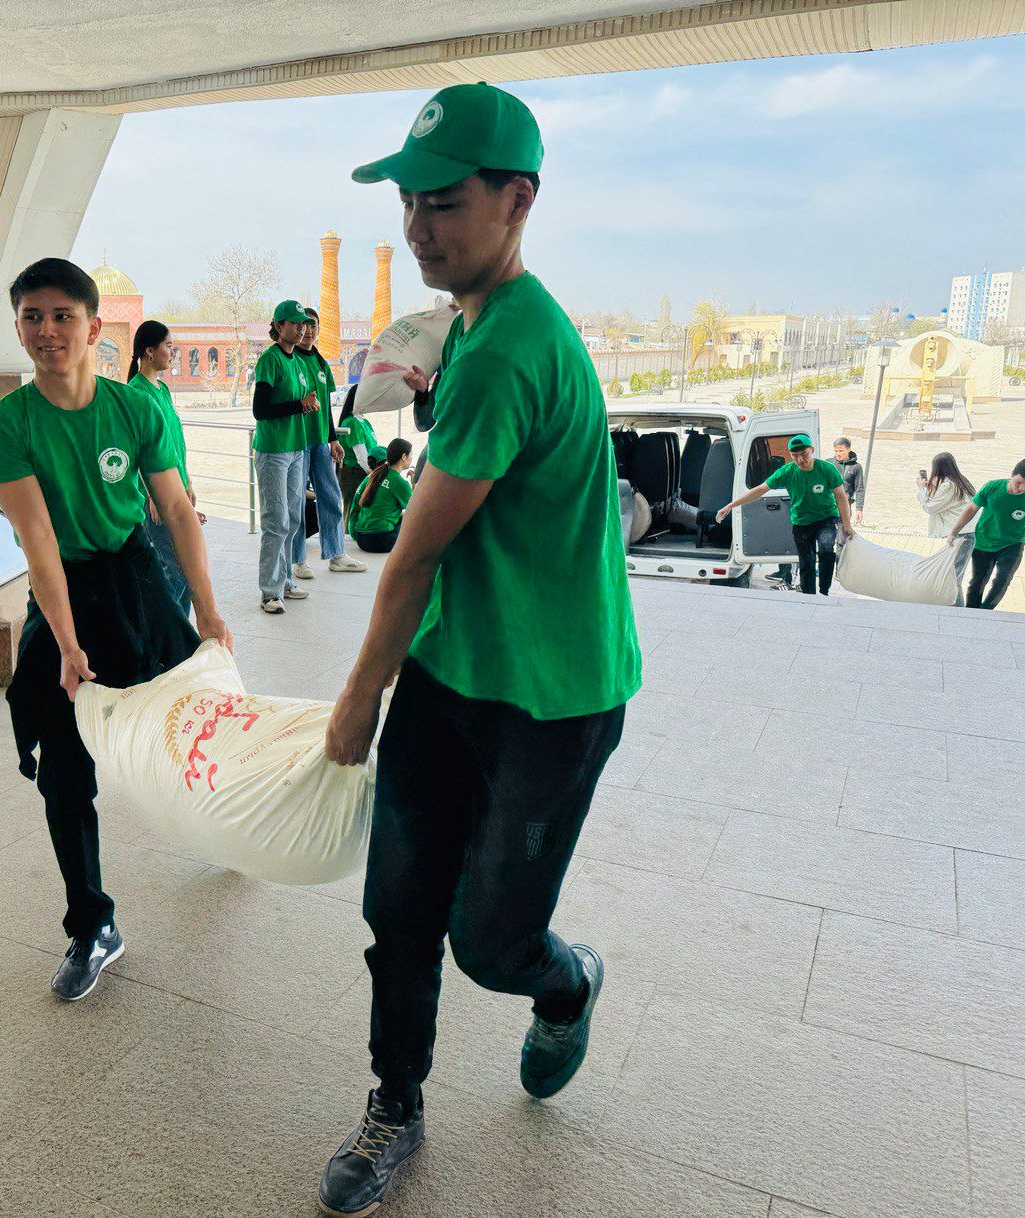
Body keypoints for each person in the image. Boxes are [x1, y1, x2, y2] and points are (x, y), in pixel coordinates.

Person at [317, 83, 640, 1218]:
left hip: (551, 694)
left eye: (443, 204)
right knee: (397, 912)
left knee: (491, 941)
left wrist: (356, 697)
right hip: (455, 669)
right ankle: (392, 1106)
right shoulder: (465, 326)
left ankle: (567, 983)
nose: (418, 229)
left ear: (517, 199)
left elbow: (407, 558)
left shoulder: (509, 347)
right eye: (407, 204)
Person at [0, 258, 232, 1002]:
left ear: (92, 326)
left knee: (188, 722)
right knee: (64, 771)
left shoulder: (135, 409)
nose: (47, 331)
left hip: (134, 578)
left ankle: (228, 828)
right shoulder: (6, 426)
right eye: (32, 317)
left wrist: (208, 610)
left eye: (62, 316)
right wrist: (63, 640)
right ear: (19, 327)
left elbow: (177, 511)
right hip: (63, 589)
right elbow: (40, 543)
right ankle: (92, 926)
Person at [127, 318, 205, 615]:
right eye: (168, 346)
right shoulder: (137, 392)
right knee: (178, 568)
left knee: (185, 567)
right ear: (149, 351)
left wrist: (187, 483)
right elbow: (139, 449)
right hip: (157, 496)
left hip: (176, 488)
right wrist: (152, 495)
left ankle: (179, 639)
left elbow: (174, 444)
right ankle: (163, 636)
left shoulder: (161, 390)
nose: (172, 352)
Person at [716, 433, 855, 596]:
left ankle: (824, 591)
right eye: (795, 456)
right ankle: (809, 596)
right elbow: (760, 490)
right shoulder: (787, 471)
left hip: (826, 517)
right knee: (806, 562)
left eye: (803, 454)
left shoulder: (826, 469)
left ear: (812, 450)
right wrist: (730, 506)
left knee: (825, 549)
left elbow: (841, 496)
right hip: (801, 521)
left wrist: (847, 524)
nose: (800, 460)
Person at [252, 300, 319, 614]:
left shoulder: (300, 363)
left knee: (292, 519)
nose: (302, 328)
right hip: (274, 451)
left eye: (304, 323)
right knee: (275, 522)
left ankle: (284, 580)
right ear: (279, 326)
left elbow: (307, 402)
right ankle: (269, 591)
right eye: (295, 323)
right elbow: (260, 410)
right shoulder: (270, 359)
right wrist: (300, 405)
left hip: (296, 448)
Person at [292, 307, 367, 579]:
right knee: (297, 501)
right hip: (297, 443)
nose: (308, 330)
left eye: (313, 325)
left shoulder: (321, 363)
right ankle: (298, 560)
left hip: (320, 444)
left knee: (332, 496)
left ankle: (336, 554)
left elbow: (325, 409)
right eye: (303, 325)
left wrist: (333, 438)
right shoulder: (290, 360)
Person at [947, 458, 1025, 610]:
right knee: (977, 582)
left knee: (1003, 579)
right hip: (984, 542)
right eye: (1019, 482)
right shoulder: (992, 487)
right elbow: (971, 509)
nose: (1022, 488)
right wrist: (954, 532)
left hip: (1013, 543)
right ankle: (972, 612)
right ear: (1012, 474)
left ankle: (986, 611)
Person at [916, 452, 976, 607]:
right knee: (953, 576)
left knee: (953, 578)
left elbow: (930, 507)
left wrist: (922, 489)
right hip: (964, 534)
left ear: (937, 469)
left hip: (961, 536)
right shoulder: (961, 481)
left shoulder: (949, 486)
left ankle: (957, 613)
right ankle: (954, 610)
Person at [348, 438, 413, 553]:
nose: (412, 458)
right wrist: (414, 484)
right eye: (411, 455)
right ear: (404, 456)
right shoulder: (399, 482)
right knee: (409, 517)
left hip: (361, 539)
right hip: (382, 541)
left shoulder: (373, 476)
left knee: (397, 514)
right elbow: (418, 509)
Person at [337, 385, 388, 517]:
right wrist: (374, 475)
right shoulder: (352, 423)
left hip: (364, 473)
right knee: (352, 513)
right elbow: (361, 458)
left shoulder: (363, 421)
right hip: (354, 473)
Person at [832, 436, 865, 525]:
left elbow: (860, 489)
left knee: (843, 535)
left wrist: (859, 509)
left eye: (841, 451)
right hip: (829, 507)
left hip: (845, 507)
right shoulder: (829, 464)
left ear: (848, 450)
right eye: (836, 451)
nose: (838, 453)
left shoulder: (856, 467)